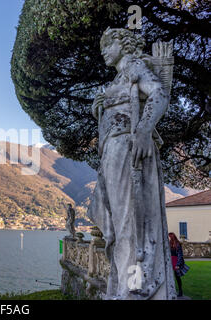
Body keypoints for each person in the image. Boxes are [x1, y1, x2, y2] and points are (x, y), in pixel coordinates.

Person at [87, 28, 177, 299]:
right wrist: (100, 106)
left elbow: (159, 94)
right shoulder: (121, 76)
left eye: (108, 44)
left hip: (127, 149)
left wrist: (143, 130)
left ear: (123, 45)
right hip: (112, 152)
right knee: (118, 221)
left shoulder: (134, 67)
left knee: (129, 223)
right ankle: (123, 285)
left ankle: (133, 287)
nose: (103, 50)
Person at [169, 232, 189, 297]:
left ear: (173, 237)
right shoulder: (169, 244)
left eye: (170, 237)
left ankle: (180, 291)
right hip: (170, 261)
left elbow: (180, 255)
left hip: (175, 261)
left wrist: (178, 264)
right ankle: (171, 289)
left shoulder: (177, 244)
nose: (169, 239)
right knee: (170, 276)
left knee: (177, 277)